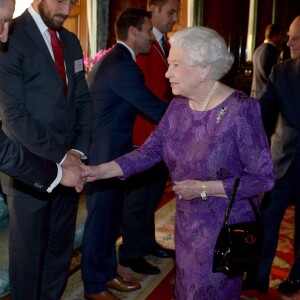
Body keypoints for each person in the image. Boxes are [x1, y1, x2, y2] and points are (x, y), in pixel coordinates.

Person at [83, 26, 275, 300]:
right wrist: (98, 170)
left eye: (175, 64)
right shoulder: (178, 107)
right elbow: (148, 153)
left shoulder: (241, 111)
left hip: (225, 231)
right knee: (185, 290)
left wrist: (204, 189)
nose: (166, 72)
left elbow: (263, 178)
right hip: (187, 228)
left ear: (203, 70)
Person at [0, 0, 92, 299]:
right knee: (28, 259)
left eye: (72, 1)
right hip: (27, 168)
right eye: (61, 0)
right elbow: (14, 116)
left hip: (70, 163)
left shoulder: (70, 40)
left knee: (58, 250)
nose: (67, 9)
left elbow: (83, 102)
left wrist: (77, 152)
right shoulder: (12, 34)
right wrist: (62, 159)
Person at [81, 8, 168, 300]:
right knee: (101, 221)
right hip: (105, 154)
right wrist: (193, 120)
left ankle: (106, 274)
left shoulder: (119, 61)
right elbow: (152, 106)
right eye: (146, 30)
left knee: (110, 218)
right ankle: (93, 286)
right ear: (133, 31)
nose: (150, 37)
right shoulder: (122, 65)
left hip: (113, 152)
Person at [119, 0, 180, 275]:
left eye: (177, 12)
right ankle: (131, 252)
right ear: (152, 10)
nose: (175, 18)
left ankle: (145, 242)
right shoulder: (141, 47)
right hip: (143, 133)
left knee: (152, 194)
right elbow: (141, 95)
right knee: (137, 199)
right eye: (170, 12)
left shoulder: (163, 43)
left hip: (160, 131)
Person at [243, 15, 300, 295]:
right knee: (266, 220)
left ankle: (297, 277)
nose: (288, 42)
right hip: (282, 159)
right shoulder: (282, 71)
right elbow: (263, 111)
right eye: (288, 35)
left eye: (296, 37)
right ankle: (257, 277)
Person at [250, 23, 284, 99]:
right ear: (275, 35)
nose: (282, 38)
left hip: (255, 96)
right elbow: (275, 78)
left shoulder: (257, 50)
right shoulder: (273, 52)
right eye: (281, 35)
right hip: (267, 99)